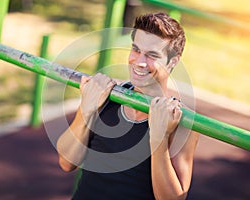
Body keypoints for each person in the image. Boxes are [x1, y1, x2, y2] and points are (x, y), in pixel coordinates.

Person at [57, 12, 199, 200]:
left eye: (152, 55)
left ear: (173, 61)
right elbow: (66, 163)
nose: (139, 62)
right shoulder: (107, 94)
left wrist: (159, 138)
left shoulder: (182, 120)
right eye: (136, 49)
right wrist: (86, 109)